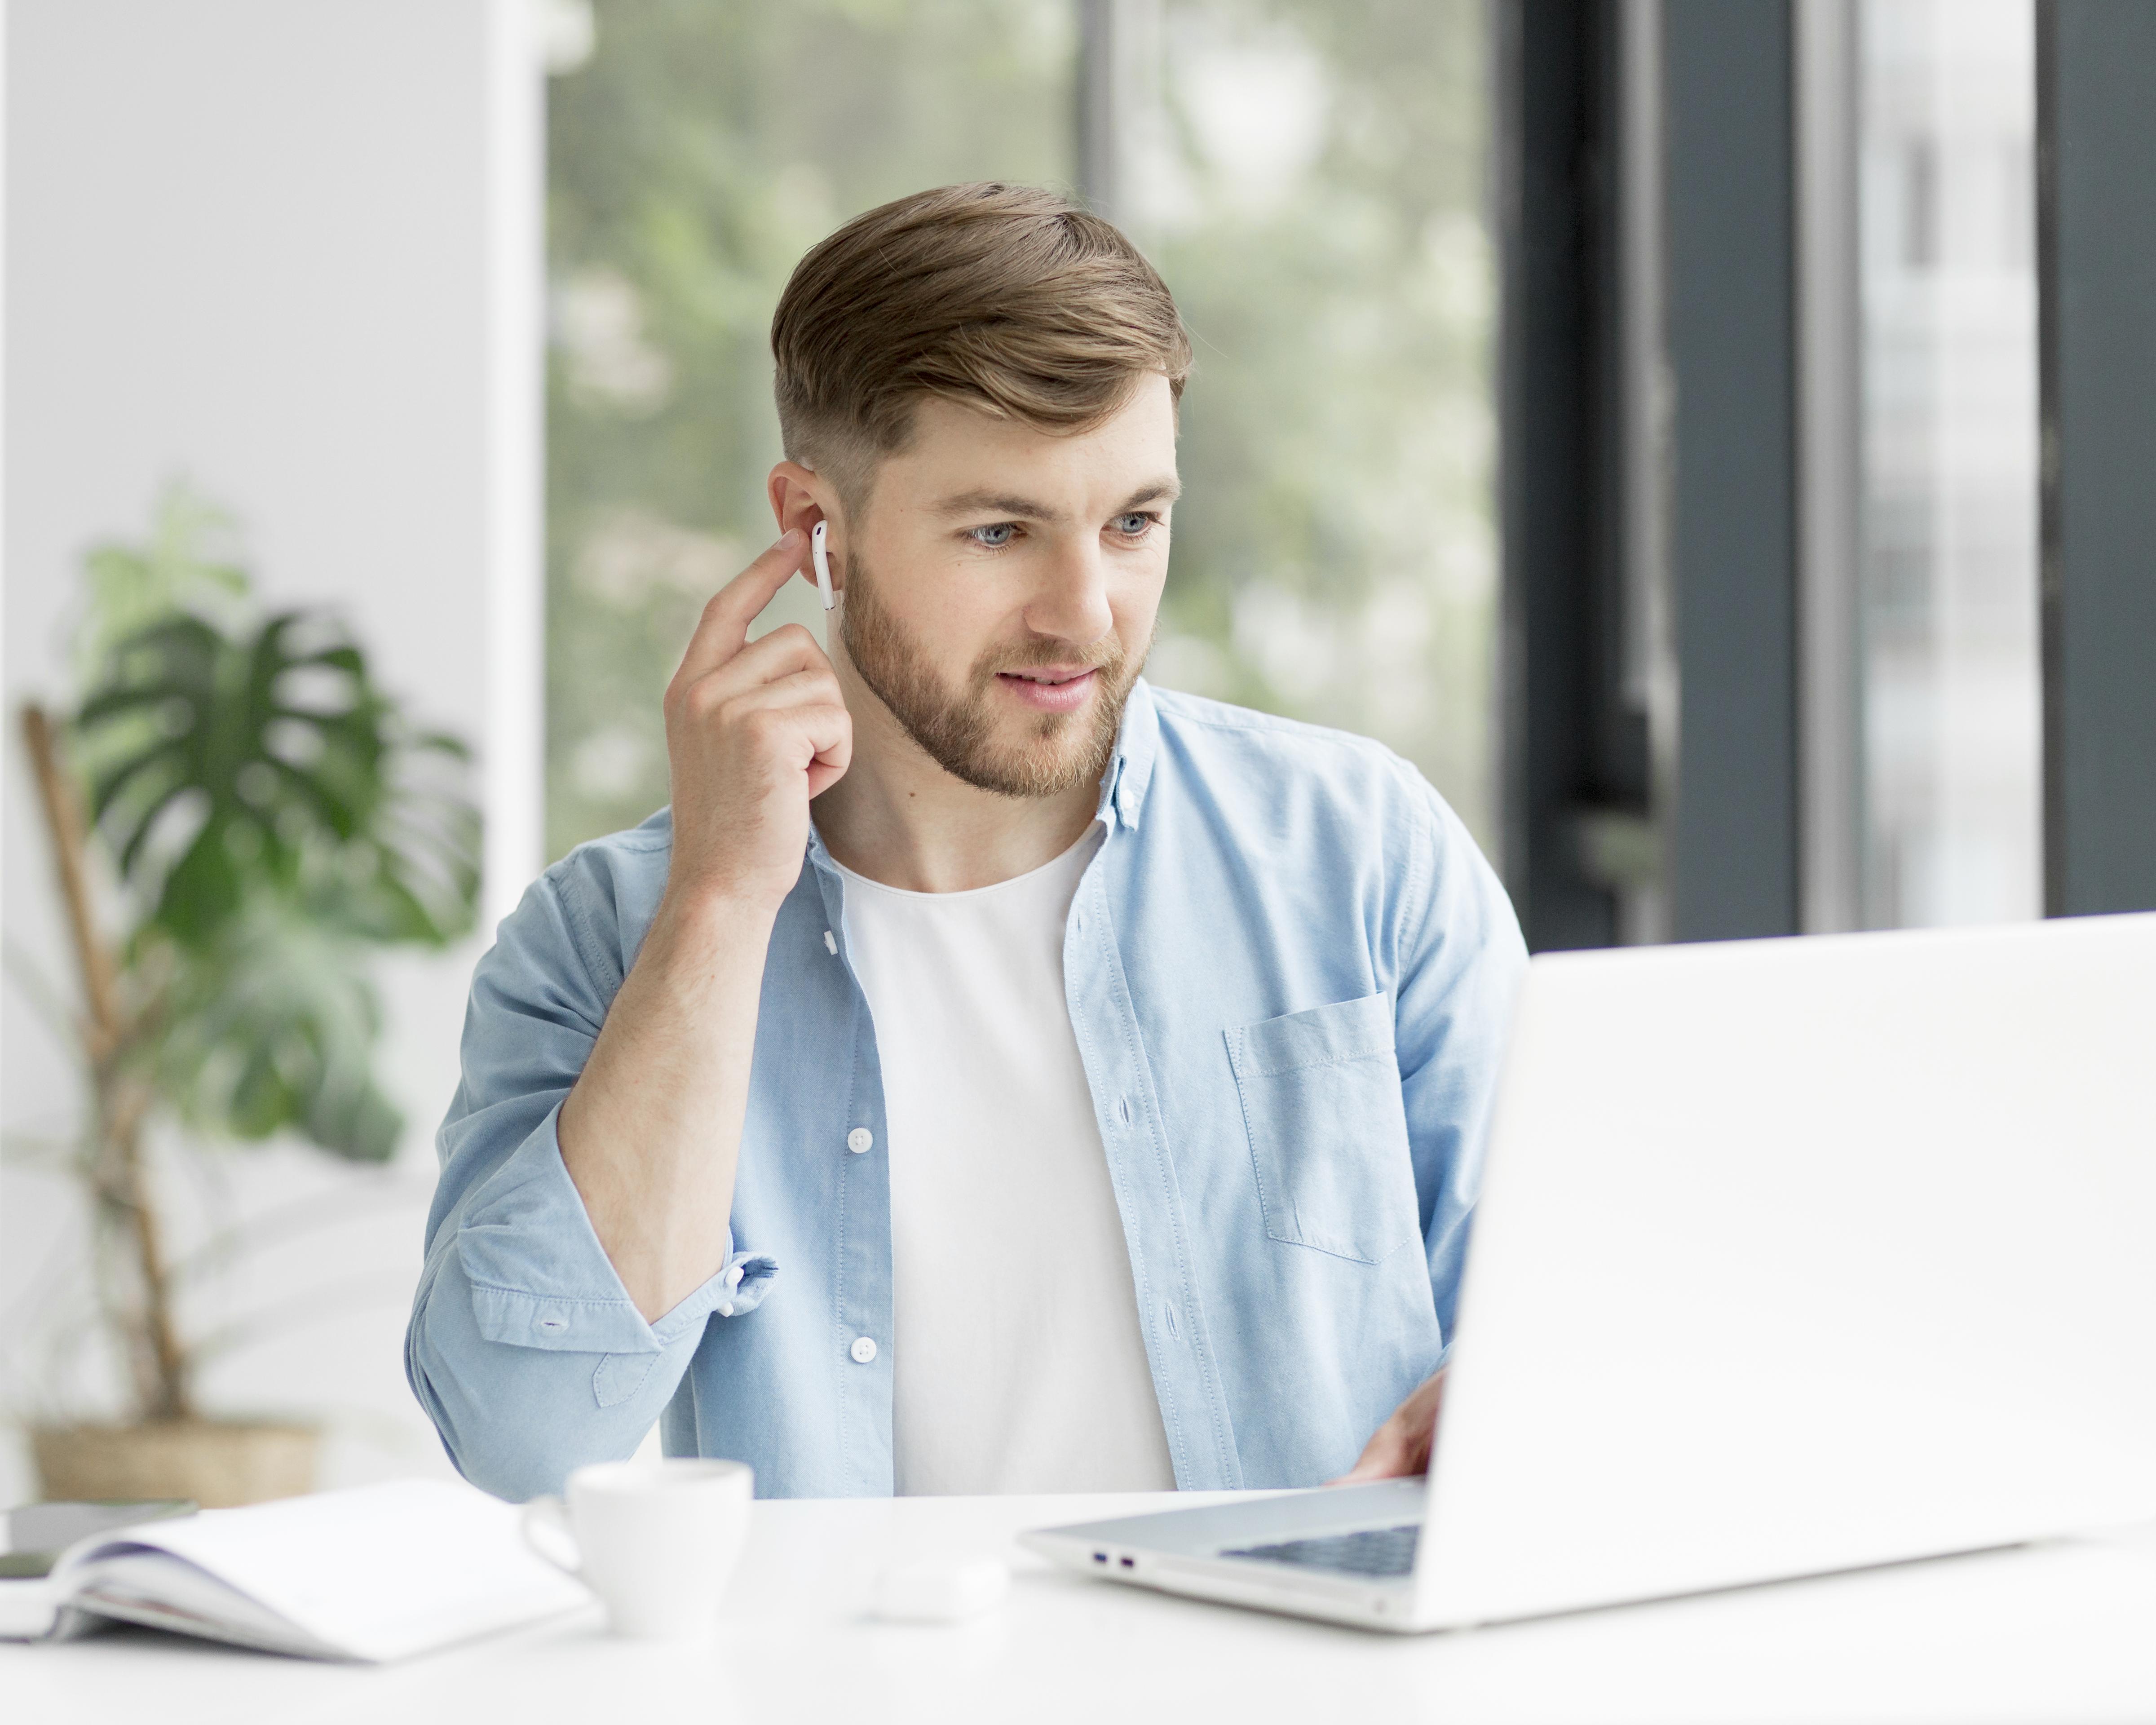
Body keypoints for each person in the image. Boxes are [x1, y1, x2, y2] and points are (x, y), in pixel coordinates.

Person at [407, 183, 1526, 1504]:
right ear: (814, 525)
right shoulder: (609, 937)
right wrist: (718, 902)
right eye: (1000, 532)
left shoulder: (1362, 858)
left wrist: (1519, 1405)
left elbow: (1576, 1329)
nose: (1085, 616)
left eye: (1133, 524)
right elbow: (522, 1442)